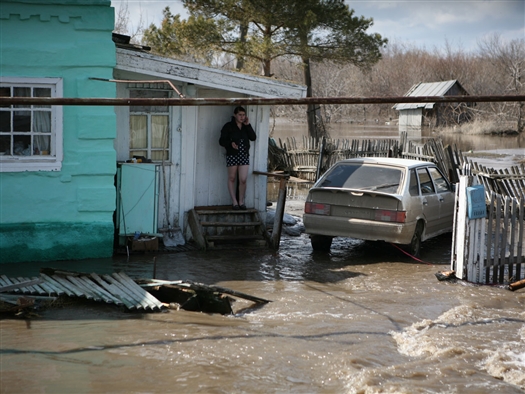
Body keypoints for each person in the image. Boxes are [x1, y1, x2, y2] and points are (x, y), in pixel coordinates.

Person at [219, 106, 256, 210]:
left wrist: (248, 125)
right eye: (240, 115)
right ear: (235, 115)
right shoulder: (228, 126)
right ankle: (234, 202)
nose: (242, 117)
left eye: (243, 115)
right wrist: (230, 144)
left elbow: (253, 137)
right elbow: (221, 141)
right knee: (232, 178)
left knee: (243, 179)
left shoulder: (245, 126)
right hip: (232, 155)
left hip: (244, 155)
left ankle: (241, 201)